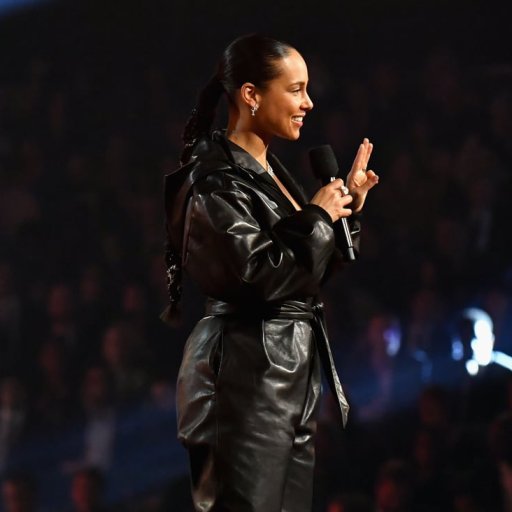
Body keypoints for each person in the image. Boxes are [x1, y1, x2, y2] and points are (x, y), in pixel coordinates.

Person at [161, 34, 379, 512]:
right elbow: (258, 272)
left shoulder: (271, 171)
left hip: (290, 371)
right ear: (251, 95)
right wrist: (318, 218)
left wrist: (345, 212)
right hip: (242, 376)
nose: (309, 102)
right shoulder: (215, 181)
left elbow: (304, 274)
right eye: (296, 89)